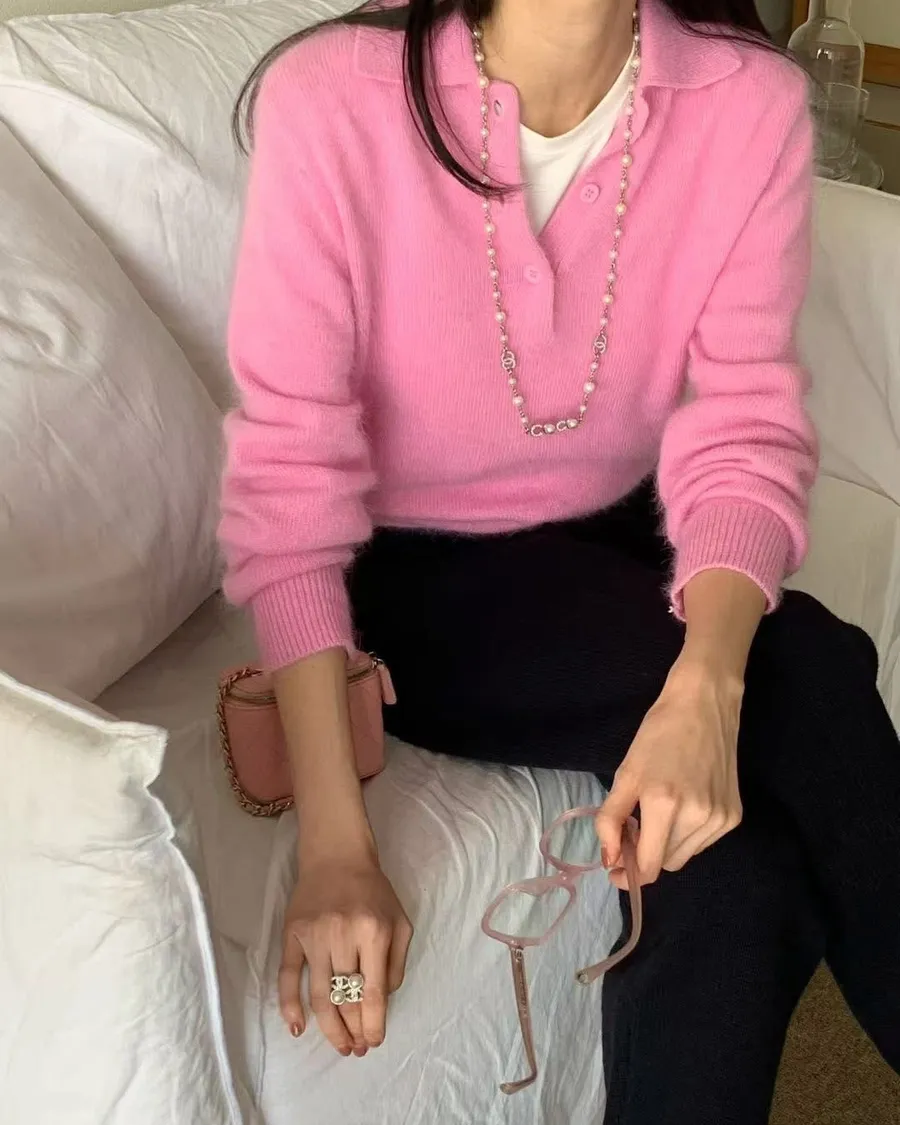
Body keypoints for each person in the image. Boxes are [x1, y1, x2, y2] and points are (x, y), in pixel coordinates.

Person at [219, 0, 900, 1120]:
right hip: (417, 578)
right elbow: (289, 478)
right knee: (818, 670)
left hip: (627, 541)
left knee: (737, 870)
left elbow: (744, 432)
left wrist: (707, 685)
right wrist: (335, 850)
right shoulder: (333, 96)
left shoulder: (749, 103)